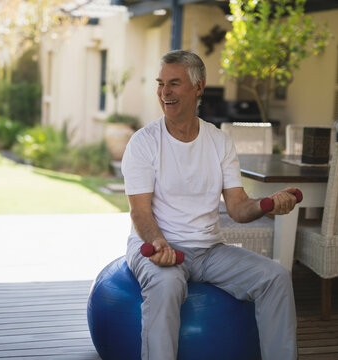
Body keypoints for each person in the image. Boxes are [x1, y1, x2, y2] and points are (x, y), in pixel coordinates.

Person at [121, 50, 298, 360]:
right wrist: (158, 242)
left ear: (198, 87)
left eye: (174, 83)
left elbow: (239, 208)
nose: (165, 92)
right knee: (166, 286)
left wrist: (268, 205)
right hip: (159, 247)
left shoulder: (219, 142)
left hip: (209, 251)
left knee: (276, 277)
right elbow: (140, 211)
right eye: (161, 83)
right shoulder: (144, 142)